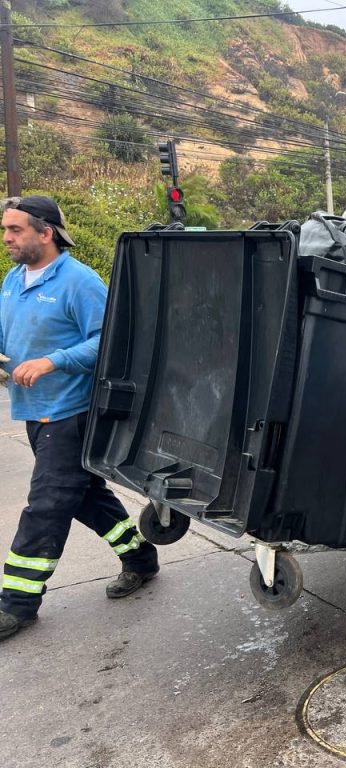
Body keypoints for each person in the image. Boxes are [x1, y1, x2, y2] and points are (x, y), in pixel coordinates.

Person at [0, 195, 159, 643]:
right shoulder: (14, 280)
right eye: (5, 230)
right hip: (35, 412)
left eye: (15, 230)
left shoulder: (78, 281)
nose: (7, 238)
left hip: (72, 413)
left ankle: (16, 603)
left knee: (48, 504)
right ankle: (141, 559)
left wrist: (52, 361)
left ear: (45, 232)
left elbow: (110, 339)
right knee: (86, 496)